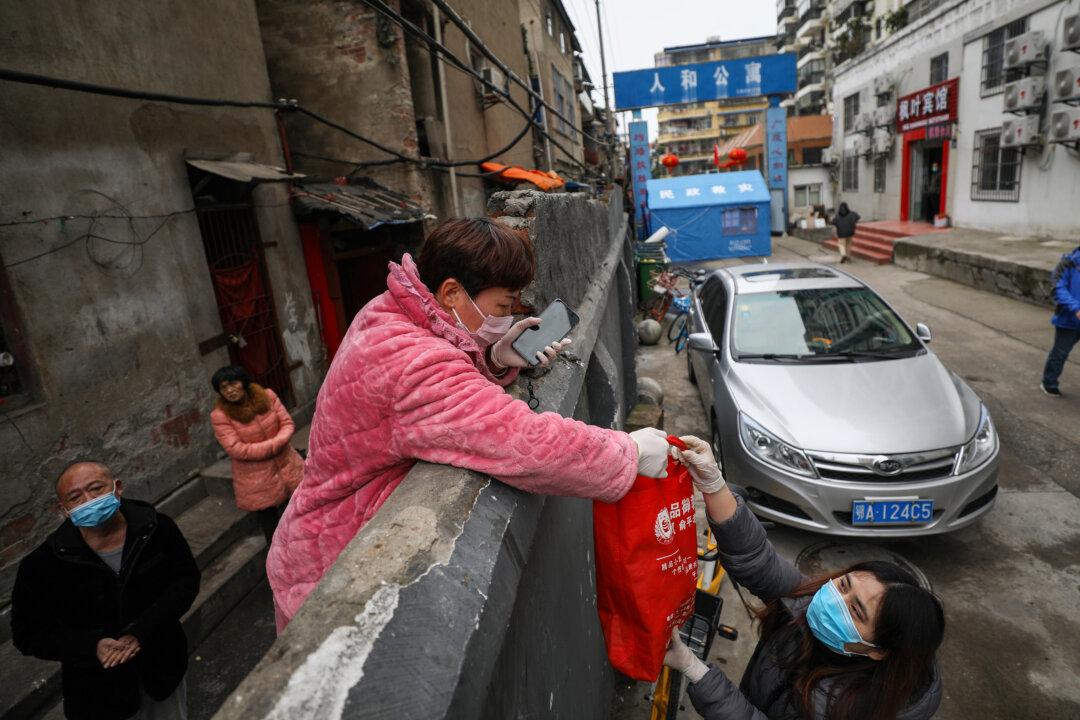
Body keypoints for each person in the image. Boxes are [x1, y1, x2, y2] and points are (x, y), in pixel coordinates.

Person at [266, 217, 672, 630]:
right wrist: (629, 451)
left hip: (317, 541)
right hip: (327, 574)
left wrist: (494, 359)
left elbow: (432, 405)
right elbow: (523, 441)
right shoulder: (413, 363)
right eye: (502, 307)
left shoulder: (391, 311)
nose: (507, 316)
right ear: (452, 292)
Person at [663, 437, 944, 720]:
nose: (835, 600)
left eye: (856, 610)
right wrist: (714, 486)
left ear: (879, 651)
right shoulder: (809, 602)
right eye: (845, 584)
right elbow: (759, 562)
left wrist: (695, 670)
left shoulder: (860, 711)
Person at [11, 461, 200, 720]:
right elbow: (28, 634)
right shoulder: (42, 565)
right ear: (64, 510)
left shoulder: (156, 529)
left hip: (162, 669)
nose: (89, 500)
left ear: (117, 488)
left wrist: (141, 632)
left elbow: (185, 582)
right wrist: (91, 646)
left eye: (96, 488)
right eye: (75, 497)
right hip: (97, 692)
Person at [210, 365, 304, 542]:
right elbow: (236, 448)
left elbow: (287, 423)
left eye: (233, 383)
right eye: (224, 388)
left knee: (299, 510)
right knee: (271, 525)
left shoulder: (267, 396)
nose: (230, 390)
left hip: (287, 462)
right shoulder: (220, 416)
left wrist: (277, 443)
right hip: (256, 478)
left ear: (243, 382)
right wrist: (273, 446)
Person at [1041, 245, 1080, 397]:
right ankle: (1049, 382)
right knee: (1059, 353)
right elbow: (1057, 288)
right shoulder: (1067, 262)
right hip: (1068, 320)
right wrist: (1076, 308)